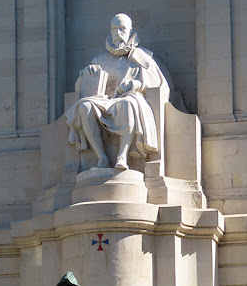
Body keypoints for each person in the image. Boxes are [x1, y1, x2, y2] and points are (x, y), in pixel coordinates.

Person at [65, 13, 170, 170]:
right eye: (114, 29)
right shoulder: (100, 59)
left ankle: (122, 155)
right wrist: (86, 73)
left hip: (129, 98)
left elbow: (158, 85)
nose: (118, 33)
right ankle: (102, 157)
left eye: (122, 29)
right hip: (105, 101)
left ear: (130, 30)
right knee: (84, 106)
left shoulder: (141, 57)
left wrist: (136, 85)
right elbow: (79, 88)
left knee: (129, 103)